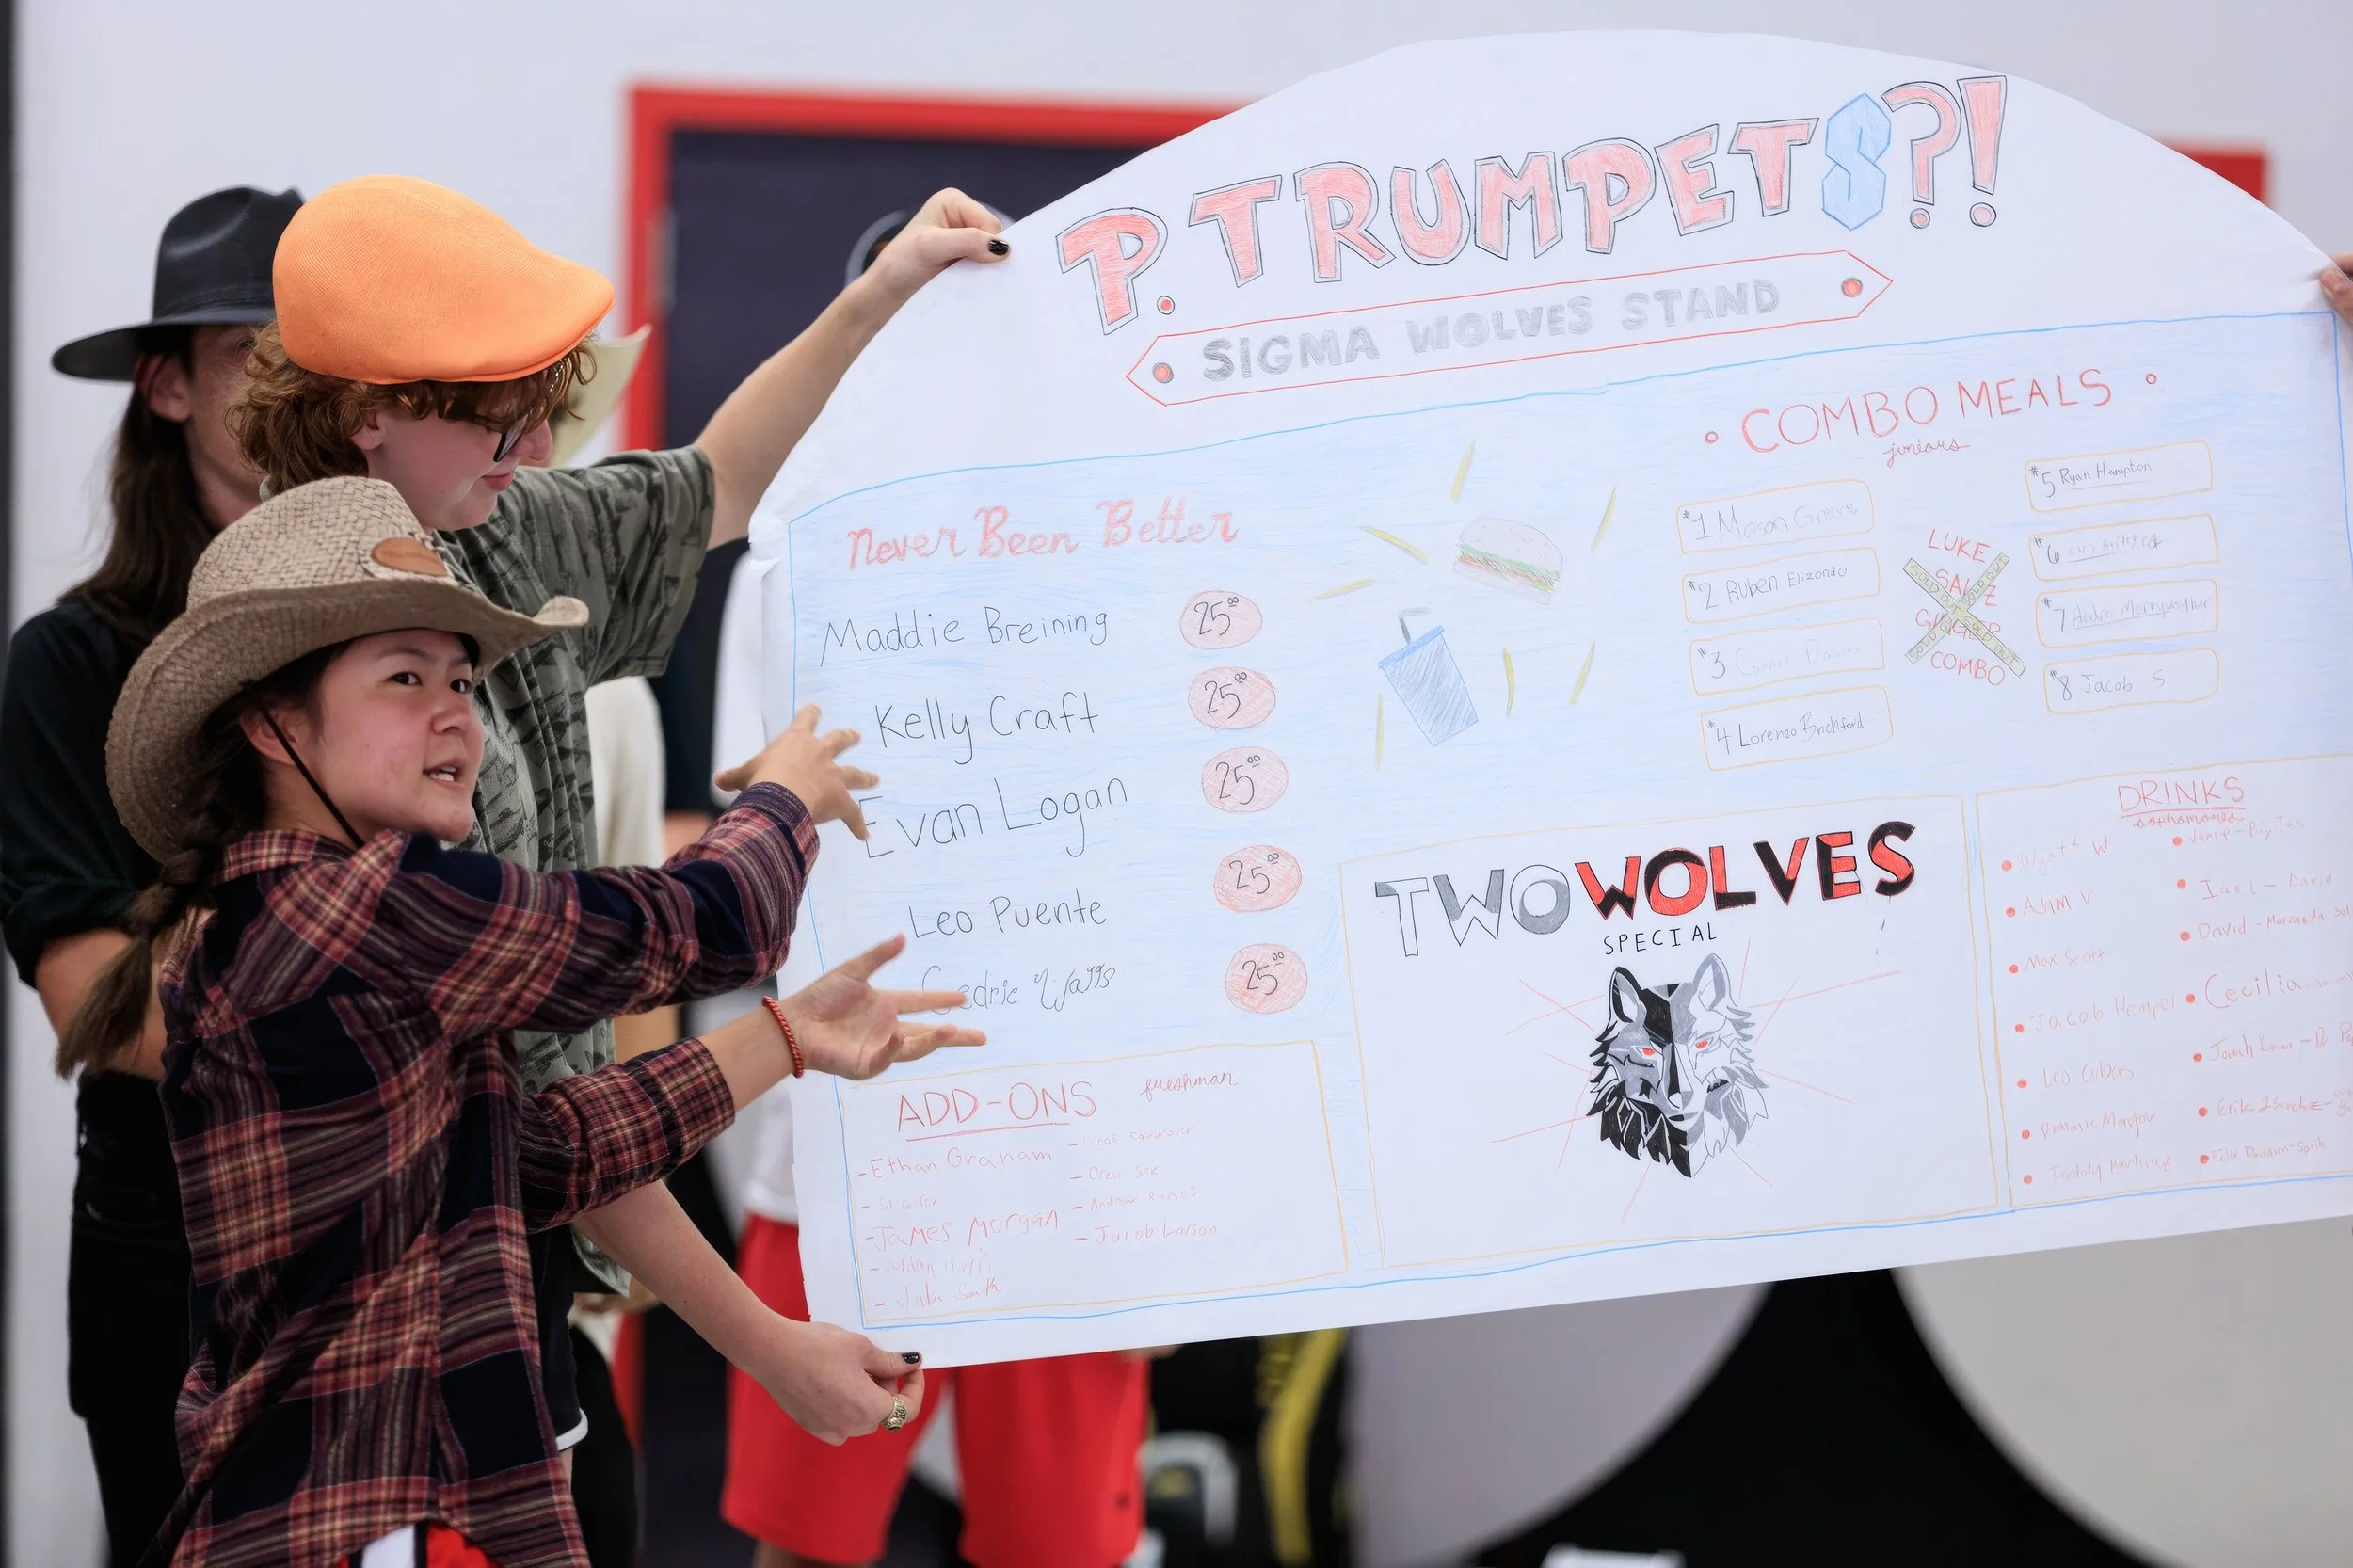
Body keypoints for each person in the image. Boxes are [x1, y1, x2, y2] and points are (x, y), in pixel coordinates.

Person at [226, 173, 1007, 1459]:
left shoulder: (476, 526)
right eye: (501, 416)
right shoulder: (336, 660)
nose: (538, 449)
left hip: (505, 1271)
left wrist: (878, 293)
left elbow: (715, 484)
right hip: (393, 1340)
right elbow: (560, 1098)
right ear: (368, 411)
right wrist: (778, 810)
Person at [67, 475, 983, 1566]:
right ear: (273, 723)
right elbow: (704, 923)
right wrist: (782, 797)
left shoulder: (290, 916)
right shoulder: (370, 907)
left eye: (462, 677)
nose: (456, 710)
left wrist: (785, 1037)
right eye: (404, 677)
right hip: (387, 1521)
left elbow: (529, 1157)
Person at [0, 184, 300, 1568]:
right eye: (252, 355)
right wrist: (357, 1005)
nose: (290, 389)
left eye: (316, 360)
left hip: (378, 1248)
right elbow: (89, 1000)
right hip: (172, 1264)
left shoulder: (390, 639)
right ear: (167, 385)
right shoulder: (71, 664)